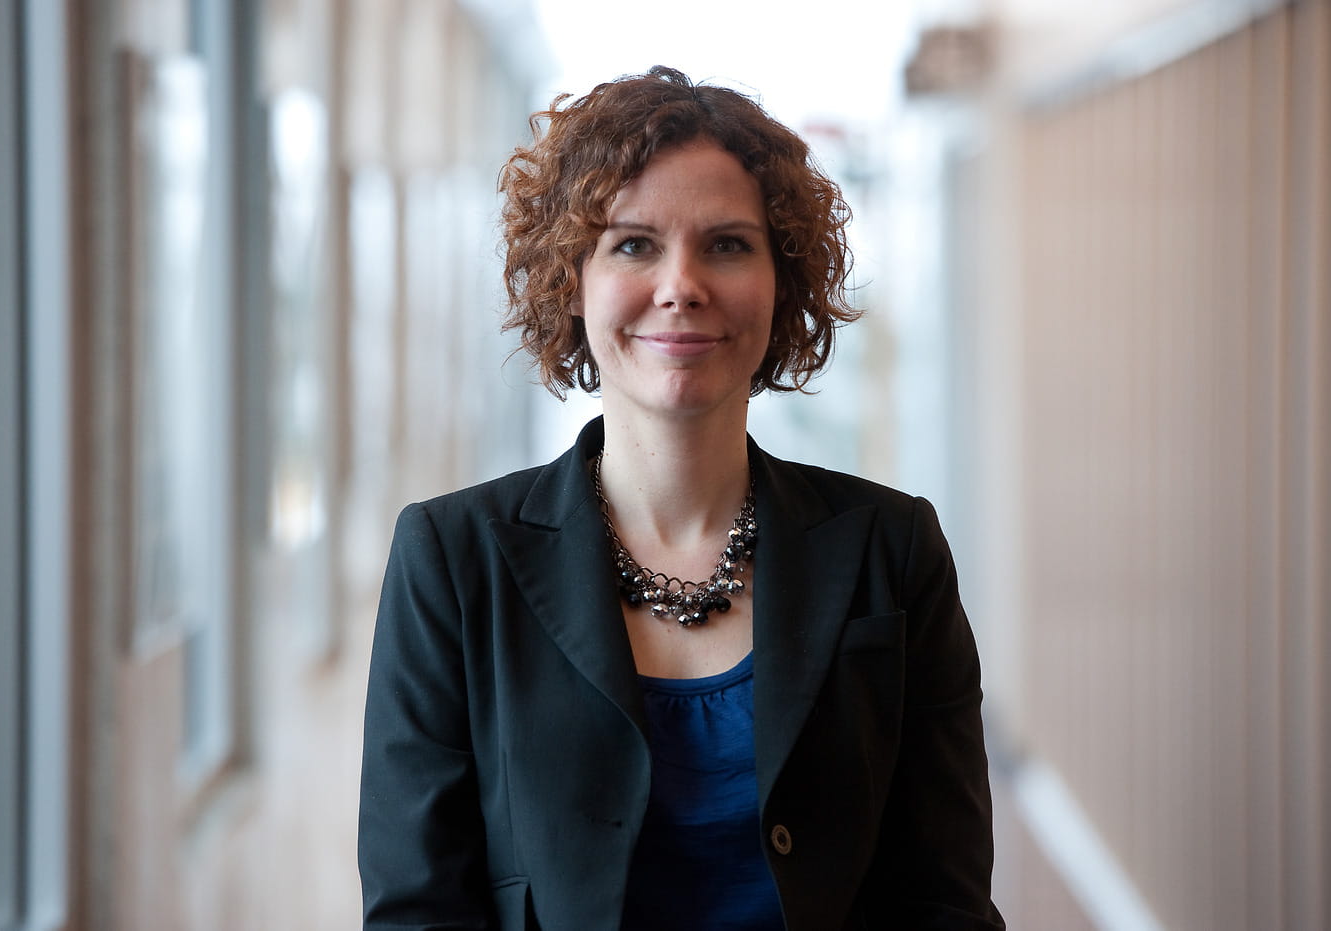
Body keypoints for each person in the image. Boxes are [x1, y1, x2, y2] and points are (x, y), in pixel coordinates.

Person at [359, 66, 1004, 930]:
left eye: (727, 245)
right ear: (571, 279)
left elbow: (944, 905)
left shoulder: (893, 550)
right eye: (634, 245)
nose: (681, 285)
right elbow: (418, 911)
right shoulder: (450, 560)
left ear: (783, 282)